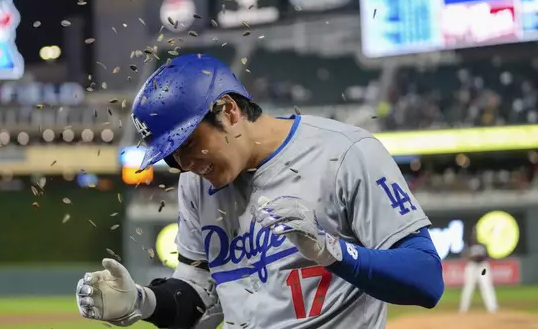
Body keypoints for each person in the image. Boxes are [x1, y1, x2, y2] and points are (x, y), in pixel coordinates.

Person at [75, 54, 444, 328]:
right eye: (172, 157)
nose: (186, 165)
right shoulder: (196, 185)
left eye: (188, 144)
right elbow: (201, 296)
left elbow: (426, 279)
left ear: (229, 111)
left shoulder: (345, 153)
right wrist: (144, 301)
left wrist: (334, 252)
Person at [459, 228, 498, 313]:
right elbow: (464, 255)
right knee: (468, 287)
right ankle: (463, 309)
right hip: (472, 266)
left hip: (482, 266)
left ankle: (492, 308)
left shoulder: (483, 244)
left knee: (486, 286)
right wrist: (471, 256)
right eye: (473, 234)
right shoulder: (468, 244)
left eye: (476, 233)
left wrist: (478, 256)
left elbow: (488, 255)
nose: (475, 235)